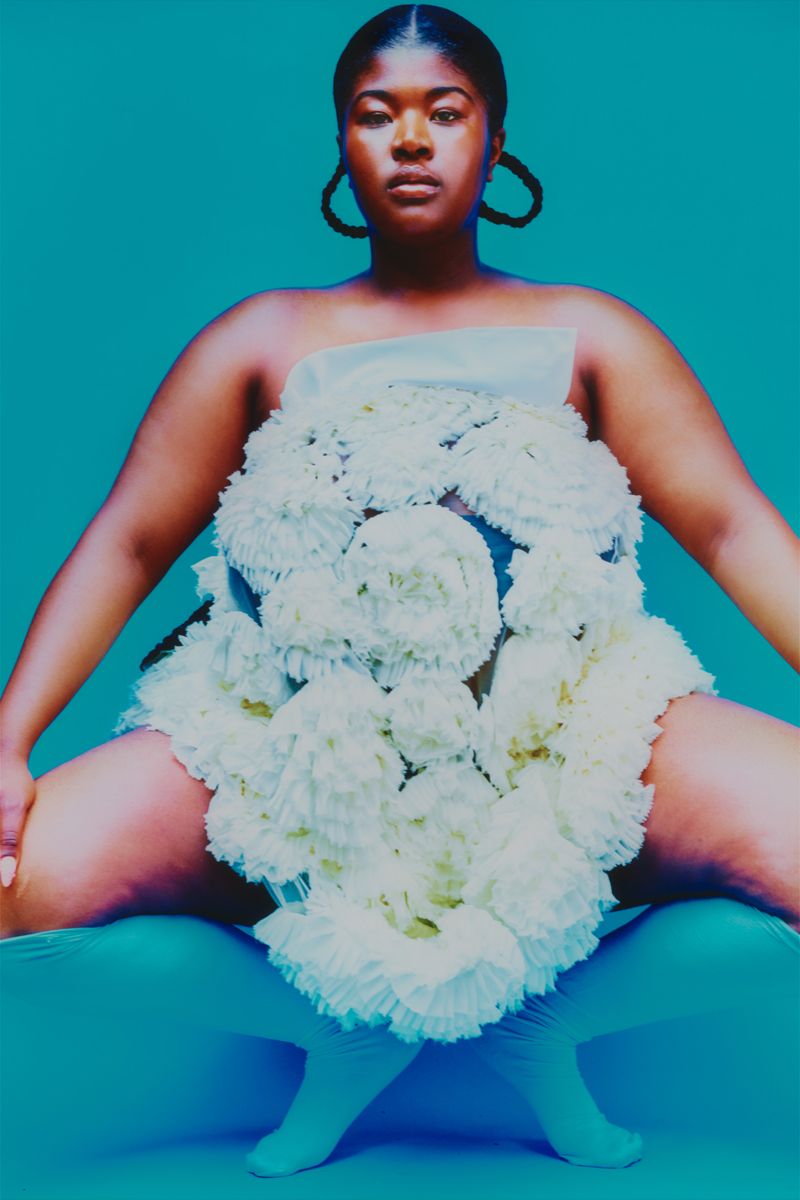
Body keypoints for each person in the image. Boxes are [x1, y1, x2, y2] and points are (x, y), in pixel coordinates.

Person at [0, 1, 797, 1179]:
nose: (410, 138)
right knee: (25, 889)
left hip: (562, 736)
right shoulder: (261, 338)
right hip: (299, 748)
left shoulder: (590, 333)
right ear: (340, 143)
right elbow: (126, 544)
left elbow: (733, 529)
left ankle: (543, 1023)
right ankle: (339, 1025)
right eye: (376, 114)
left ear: (493, 136)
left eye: (444, 111)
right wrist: (8, 741)